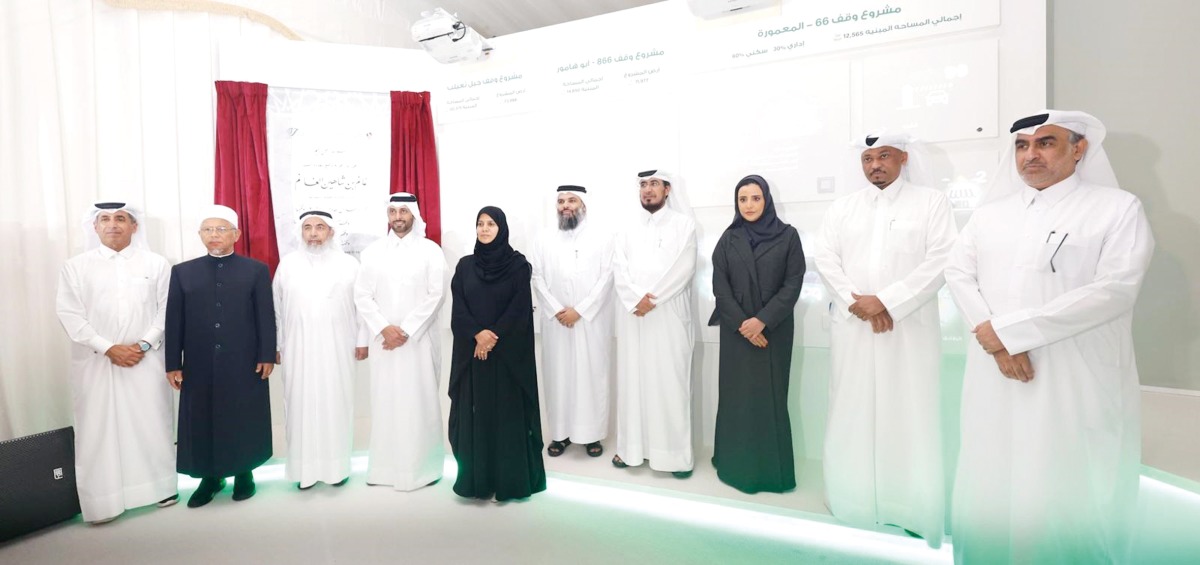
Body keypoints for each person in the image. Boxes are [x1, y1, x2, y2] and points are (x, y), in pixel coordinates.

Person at [945, 110, 1154, 563]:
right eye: (1022, 146)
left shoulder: (1117, 208)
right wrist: (996, 337)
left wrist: (1008, 333)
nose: (1030, 155)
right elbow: (959, 273)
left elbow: (1115, 290)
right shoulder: (989, 216)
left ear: (1079, 149)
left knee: (1066, 481)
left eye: (1045, 143)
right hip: (994, 371)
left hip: (1073, 375)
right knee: (992, 468)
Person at [814, 133, 957, 544]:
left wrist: (889, 302)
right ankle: (852, 499)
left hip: (906, 327)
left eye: (884, 156)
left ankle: (907, 506)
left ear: (904, 159)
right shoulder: (843, 208)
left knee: (908, 410)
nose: (875, 165)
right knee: (852, 408)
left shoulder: (931, 202)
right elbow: (825, 257)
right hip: (854, 325)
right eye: (868, 158)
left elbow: (943, 258)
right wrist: (856, 302)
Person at [55, 202, 178, 524]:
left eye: (121, 218)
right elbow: (70, 314)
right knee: (98, 428)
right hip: (96, 362)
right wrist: (108, 348)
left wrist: (143, 344)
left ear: (134, 226)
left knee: (152, 421)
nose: (113, 225)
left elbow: (167, 310)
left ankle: (159, 488)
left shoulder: (156, 263)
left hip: (146, 358)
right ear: (94, 227)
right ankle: (103, 500)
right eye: (105, 219)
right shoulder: (76, 266)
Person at [166, 205, 276, 508]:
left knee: (242, 415)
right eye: (208, 230)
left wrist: (267, 354)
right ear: (200, 235)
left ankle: (244, 474)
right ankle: (209, 478)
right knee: (202, 417)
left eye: (221, 229)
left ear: (236, 234)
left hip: (243, 358)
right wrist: (173, 362)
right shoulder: (182, 272)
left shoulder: (255, 270)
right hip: (199, 361)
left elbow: (265, 316)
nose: (214, 235)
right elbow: (174, 320)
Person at [708, 175, 805, 493]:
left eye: (755, 198)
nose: (749, 205)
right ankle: (733, 465)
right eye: (743, 199)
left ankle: (769, 473)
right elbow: (720, 287)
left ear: (767, 200)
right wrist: (743, 325)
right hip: (737, 334)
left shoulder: (788, 237)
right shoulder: (728, 238)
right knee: (736, 400)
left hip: (773, 333)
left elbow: (793, 283)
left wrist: (762, 321)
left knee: (769, 399)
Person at [448, 206, 546, 501]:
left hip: (506, 360)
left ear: (501, 228)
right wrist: (478, 335)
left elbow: (518, 309)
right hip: (474, 357)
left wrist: (492, 337)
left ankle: (510, 481)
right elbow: (459, 308)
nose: (485, 229)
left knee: (506, 419)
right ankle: (475, 482)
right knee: (475, 418)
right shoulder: (465, 266)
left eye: (491, 224)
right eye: (480, 224)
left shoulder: (518, 266)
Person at [354, 193, 448, 491]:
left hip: (418, 343)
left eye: (403, 211)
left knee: (418, 402)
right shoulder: (373, 252)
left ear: (414, 215)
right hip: (385, 344)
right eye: (392, 211)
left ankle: (423, 469)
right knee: (385, 401)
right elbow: (362, 295)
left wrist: (405, 330)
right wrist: (384, 328)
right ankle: (384, 470)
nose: (397, 216)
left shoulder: (431, 251)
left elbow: (436, 295)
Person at [611, 170, 698, 478]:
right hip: (633, 316)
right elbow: (618, 267)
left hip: (668, 317)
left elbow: (684, 267)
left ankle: (673, 456)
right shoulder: (625, 228)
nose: (647, 190)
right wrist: (636, 299)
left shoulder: (684, 225)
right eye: (643, 185)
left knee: (668, 384)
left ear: (667, 189)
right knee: (632, 382)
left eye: (654, 184)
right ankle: (631, 450)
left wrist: (653, 299)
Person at [274, 210, 368, 490]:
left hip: (337, 346)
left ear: (331, 232)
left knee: (335, 401)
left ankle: (336, 468)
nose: (313, 233)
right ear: (301, 233)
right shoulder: (288, 265)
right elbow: (276, 308)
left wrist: (361, 339)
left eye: (320, 227)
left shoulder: (349, 265)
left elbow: (362, 306)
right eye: (307, 228)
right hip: (296, 347)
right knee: (299, 404)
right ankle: (304, 471)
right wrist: (277, 344)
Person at [530, 185, 615, 459]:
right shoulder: (543, 238)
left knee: (591, 376)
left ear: (583, 205)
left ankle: (591, 436)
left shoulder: (602, 238)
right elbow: (537, 277)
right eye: (561, 201)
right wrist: (557, 309)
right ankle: (560, 433)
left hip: (590, 322)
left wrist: (580, 310)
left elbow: (607, 277)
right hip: (556, 324)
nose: (565, 205)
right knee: (558, 376)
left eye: (571, 200)